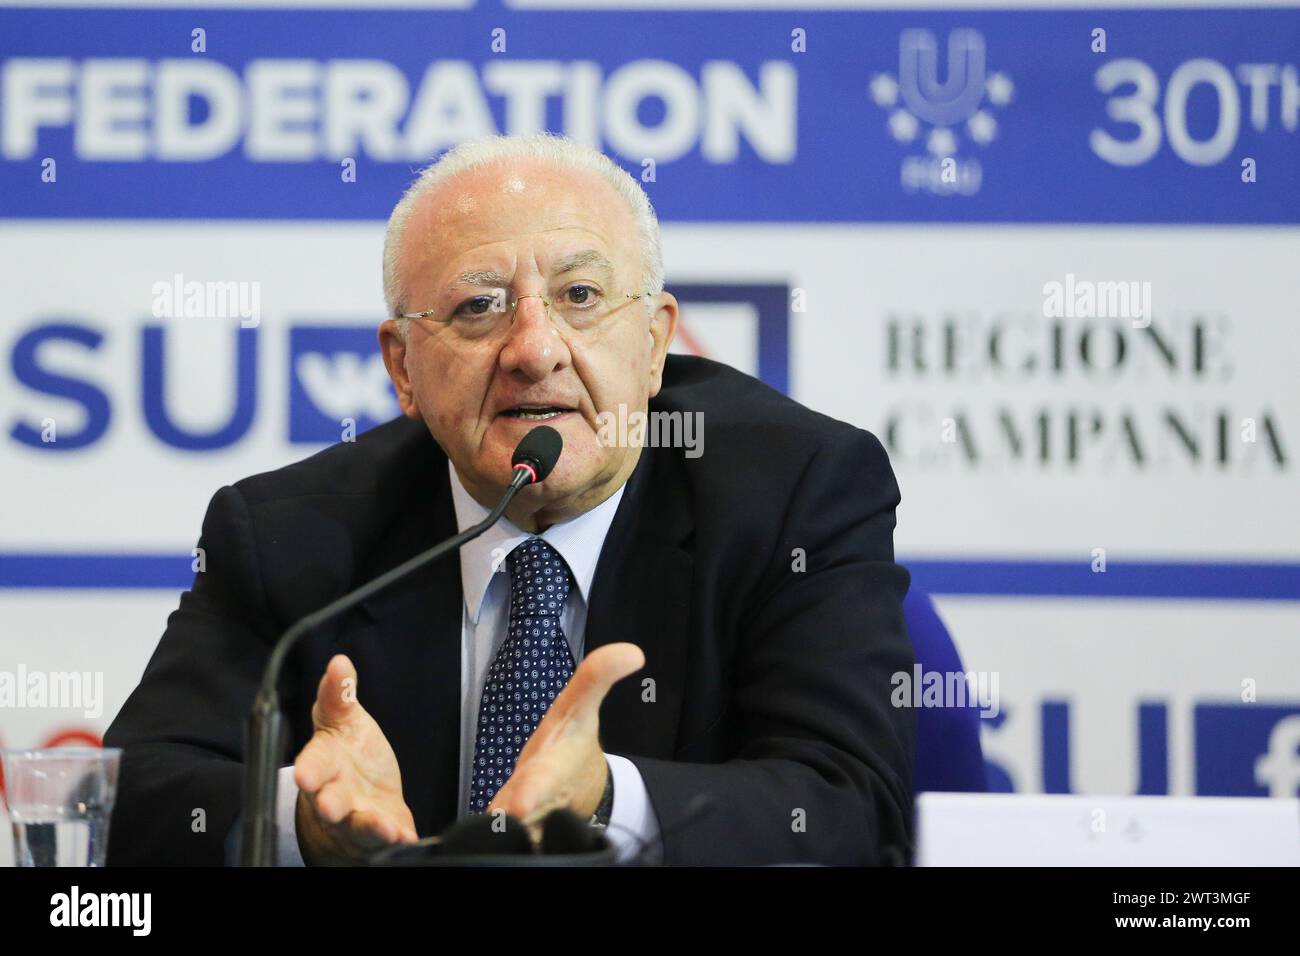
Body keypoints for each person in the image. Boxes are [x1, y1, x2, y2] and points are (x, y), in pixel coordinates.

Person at [104, 132, 915, 866]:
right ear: (403, 368)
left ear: (657, 342)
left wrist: (607, 800)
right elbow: (134, 796)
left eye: (582, 297)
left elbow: (851, 805)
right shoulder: (290, 534)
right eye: (477, 306)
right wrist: (302, 819)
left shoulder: (797, 491)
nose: (534, 350)